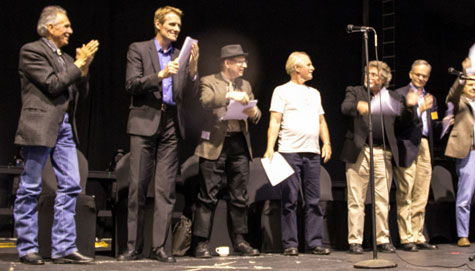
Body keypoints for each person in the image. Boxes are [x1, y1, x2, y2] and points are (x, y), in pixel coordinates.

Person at [13, 5, 98, 265]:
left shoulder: (65, 57)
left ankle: (63, 247)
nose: (70, 31)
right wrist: (79, 64)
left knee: (72, 184)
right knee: (30, 187)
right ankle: (27, 248)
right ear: (50, 28)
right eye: (66, 26)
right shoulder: (31, 51)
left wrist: (84, 69)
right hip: (39, 123)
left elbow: (78, 93)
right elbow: (52, 84)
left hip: (64, 127)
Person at [117, 6, 198, 263]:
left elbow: (189, 95)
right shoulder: (138, 49)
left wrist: (193, 71)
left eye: (178, 26)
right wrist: (160, 75)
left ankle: (160, 247)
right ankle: (133, 247)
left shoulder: (180, 55)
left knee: (165, 190)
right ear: (158, 24)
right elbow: (131, 84)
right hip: (144, 121)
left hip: (172, 122)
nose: (175, 29)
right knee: (138, 188)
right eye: (171, 25)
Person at [192, 44, 261, 257]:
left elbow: (256, 116)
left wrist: (252, 110)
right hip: (214, 144)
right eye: (240, 62)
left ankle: (240, 240)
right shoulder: (208, 81)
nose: (244, 65)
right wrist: (231, 96)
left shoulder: (246, 84)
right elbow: (205, 101)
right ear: (227, 63)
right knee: (208, 196)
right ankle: (201, 243)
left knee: (239, 196)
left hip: (239, 143)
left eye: (244, 61)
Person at [264, 51, 331, 256]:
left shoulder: (314, 93)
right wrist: (270, 148)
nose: (312, 68)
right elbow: (275, 121)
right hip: (289, 152)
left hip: (312, 153)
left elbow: (321, 121)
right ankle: (290, 244)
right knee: (290, 199)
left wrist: (326, 142)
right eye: (309, 65)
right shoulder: (281, 91)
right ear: (297, 68)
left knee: (313, 200)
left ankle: (314, 243)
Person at [340, 61, 407, 254]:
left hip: (383, 153)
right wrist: (357, 107)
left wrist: (410, 107)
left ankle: (383, 239)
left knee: (382, 199)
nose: (368, 77)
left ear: (384, 79)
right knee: (356, 199)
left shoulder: (393, 97)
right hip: (360, 151)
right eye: (367, 73)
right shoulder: (355, 91)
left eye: (374, 74)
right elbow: (345, 108)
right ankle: (355, 241)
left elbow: (404, 120)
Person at [445, 58, 475, 247]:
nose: (474, 87)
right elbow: (452, 94)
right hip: (470, 153)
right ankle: (463, 234)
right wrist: (462, 75)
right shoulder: (459, 102)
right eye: (470, 84)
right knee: (465, 196)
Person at [393, 60, 440, 252]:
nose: (421, 78)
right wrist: (418, 111)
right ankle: (406, 237)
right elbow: (398, 122)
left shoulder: (431, 97)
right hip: (406, 144)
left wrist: (442, 122)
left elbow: (433, 121)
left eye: (425, 76)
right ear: (411, 74)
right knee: (406, 192)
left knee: (421, 193)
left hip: (425, 144)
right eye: (418, 74)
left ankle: (418, 235)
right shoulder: (400, 94)